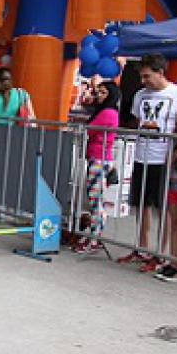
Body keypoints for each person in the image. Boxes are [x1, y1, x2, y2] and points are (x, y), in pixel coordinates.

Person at [118, 54, 177, 270]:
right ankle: (142, 248)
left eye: (147, 76)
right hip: (141, 155)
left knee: (163, 209)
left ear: (160, 72)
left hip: (163, 158)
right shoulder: (140, 95)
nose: (143, 81)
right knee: (141, 205)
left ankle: (160, 254)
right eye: (142, 76)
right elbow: (138, 120)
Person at [74, 81, 120, 254]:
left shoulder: (108, 112)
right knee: (95, 199)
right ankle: (94, 236)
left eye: (103, 92)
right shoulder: (107, 111)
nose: (99, 95)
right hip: (98, 157)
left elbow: (90, 129)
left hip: (99, 159)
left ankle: (94, 237)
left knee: (95, 200)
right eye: (98, 92)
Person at [156, 106, 177, 281]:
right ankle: (173, 261)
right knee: (175, 224)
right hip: (174, 184)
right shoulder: (176, 136)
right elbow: (170, 161)